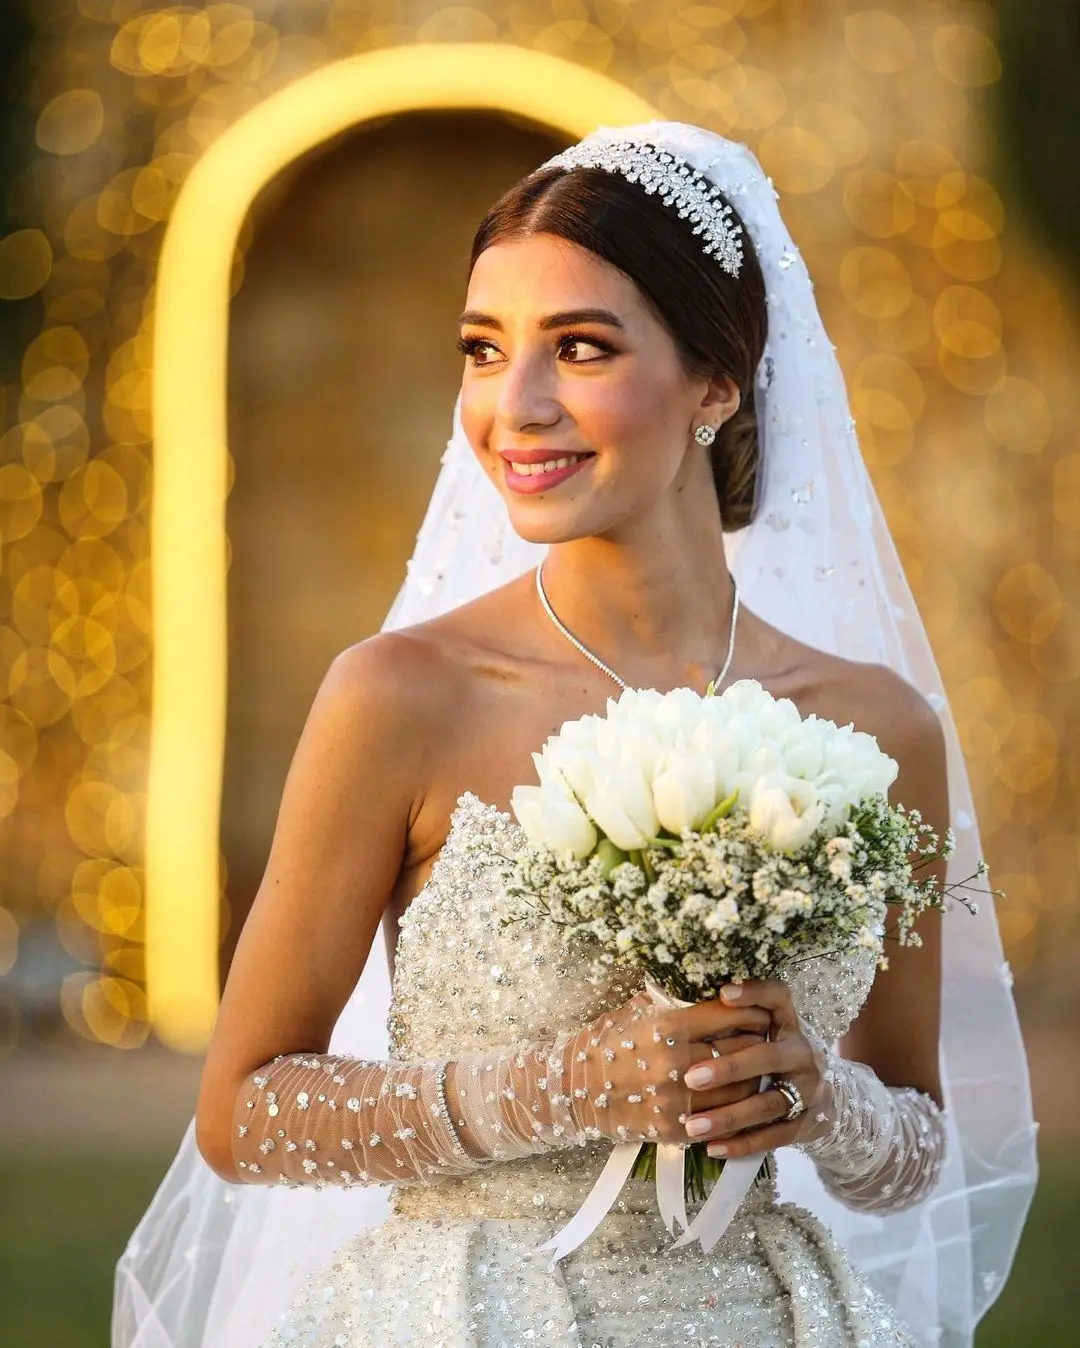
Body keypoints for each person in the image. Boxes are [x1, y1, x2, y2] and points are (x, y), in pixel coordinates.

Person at [113, 123, 1037, 1348]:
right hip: (466, 1317)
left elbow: (910, 1148)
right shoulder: (403, 695)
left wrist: (825, 1104)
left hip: (769, 1316)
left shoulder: (873, 727)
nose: (514, 407)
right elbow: (243, 1114)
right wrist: (560, 1087)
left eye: (581, 348)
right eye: (483, 351)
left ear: (717, 381)